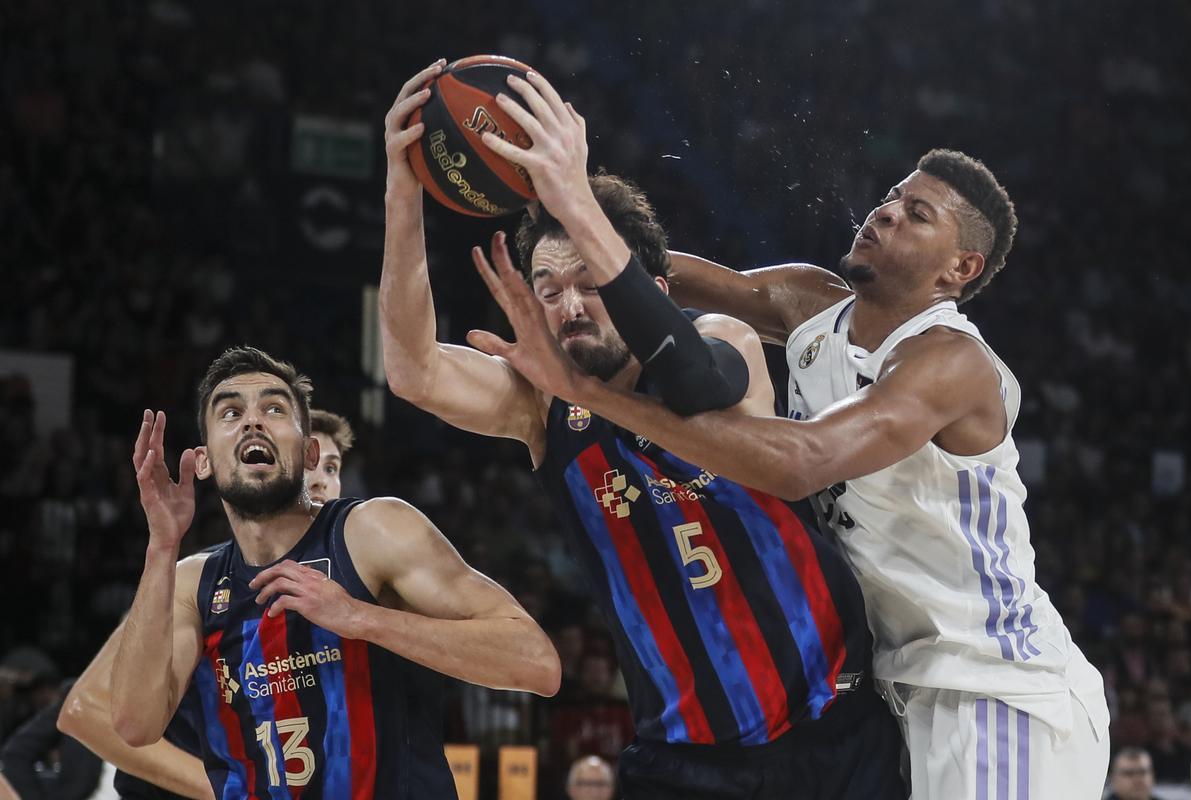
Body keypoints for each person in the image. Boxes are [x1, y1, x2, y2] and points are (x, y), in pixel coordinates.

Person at [464, 68, 1110, 798]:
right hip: (902, 690)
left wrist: (586, 389)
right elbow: (638, 272)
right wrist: (559, 213)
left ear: (959, 269)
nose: (888, 212)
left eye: (918, 214)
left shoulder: (950, 363)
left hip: (995, 687)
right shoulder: (808, 301)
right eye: (893, 196)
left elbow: (800, 464)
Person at [380, 61, 903, 799]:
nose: (569, 305)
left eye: (590, 283)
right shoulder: (543, 404)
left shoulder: (724, 339)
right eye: (548, 289)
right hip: (686, 764)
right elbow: (411, 371)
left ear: (649, 290)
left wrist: (571, 192)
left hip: (835, 738)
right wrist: (407, 191)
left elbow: (700, 384)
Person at [106, 346, 560, 798]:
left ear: (308, 453)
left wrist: (361, 618)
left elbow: (536, 662)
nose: (252, 421)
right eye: (230, 412)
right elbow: (134, 725)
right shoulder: (193, 582)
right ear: (203, 460)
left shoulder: (372, 532)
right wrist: (162, 545)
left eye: (274, 408)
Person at [58, 408, 359, 799]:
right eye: (307, 461)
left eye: (332, 468)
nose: (321, 480)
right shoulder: (201, 579)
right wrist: (227, 790)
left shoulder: (338, 589)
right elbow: (86, 711)